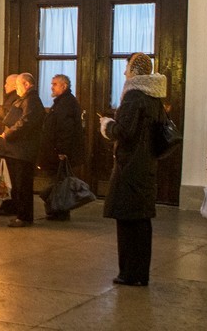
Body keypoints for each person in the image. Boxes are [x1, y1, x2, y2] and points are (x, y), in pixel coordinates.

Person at [99, 52, 166, 286]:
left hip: (130, 167)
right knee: (142, 222)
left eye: (127, 67)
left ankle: (128, 273)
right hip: (146, 165)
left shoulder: (133, 96)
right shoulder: (154, 97)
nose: (124, 72)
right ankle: (140, 274)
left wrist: (107, 125)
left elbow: (124, 131)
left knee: (127, 221)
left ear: (135, 71)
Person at [0, 72, 45, 227]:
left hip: (23, 150)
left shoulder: (32, 100)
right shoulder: (23, 99)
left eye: (18, 85)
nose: (16, 88)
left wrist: (8, 133)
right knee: (18, 184)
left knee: (23, 185)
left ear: (27, 84)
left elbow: (26, 121)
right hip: (17, 150)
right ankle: (20, 214)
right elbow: (12, 118)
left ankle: (24, 217)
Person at [39, 73, 86, 221]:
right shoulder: (62, 101)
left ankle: (59, 210)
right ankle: (57, 210)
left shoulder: (66, 103)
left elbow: (66, 129)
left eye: (55, 84)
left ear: (64, 86)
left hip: (59, 151)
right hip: (55, 150)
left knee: (58, 182)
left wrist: (62, 150)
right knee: (57, 181)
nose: (51, 87)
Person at [0, 73, 21, 210]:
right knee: (8, 175)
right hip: (6, 144)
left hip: (10, 145)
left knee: (11, 177)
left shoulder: (15, 99)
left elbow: (8, 117)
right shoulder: (12, 98)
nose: (4, 86)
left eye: (7, 83)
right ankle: (9, 204)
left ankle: (12, 204)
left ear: (14, 84)